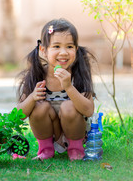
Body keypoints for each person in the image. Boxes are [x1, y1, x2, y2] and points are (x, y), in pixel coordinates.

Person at [16, 18, 95, 161]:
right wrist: (32, 97)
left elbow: (88, 110)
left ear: (76, 49)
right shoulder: (37, 75)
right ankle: (46, 150)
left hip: (76, 131)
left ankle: (76, 149)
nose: (63, 52)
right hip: (51, 131)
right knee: (38, 106)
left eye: (69, 47)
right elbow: (18, 115)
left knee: (69, 106)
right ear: (43, 50)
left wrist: (69, 87)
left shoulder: (78, 75)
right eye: (56, 46)